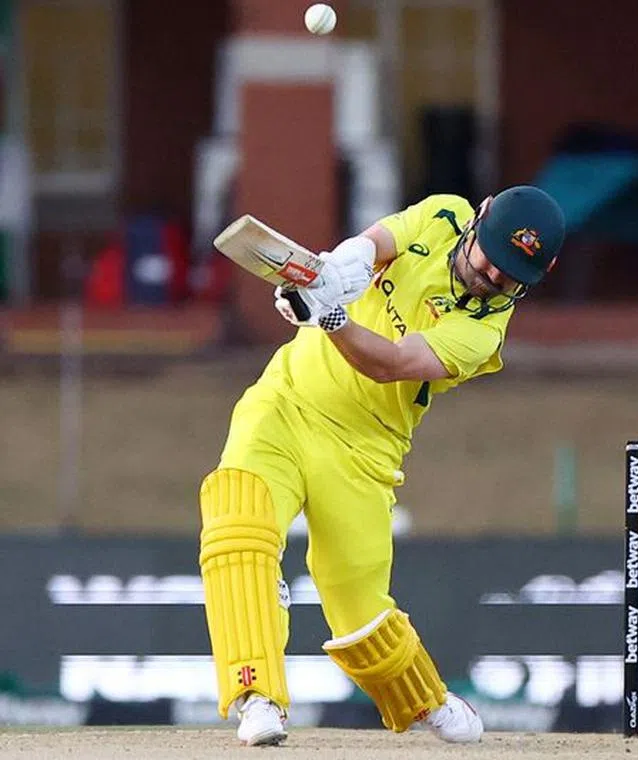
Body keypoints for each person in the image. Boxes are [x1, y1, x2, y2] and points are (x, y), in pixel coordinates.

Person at [198, 186, 565, 746]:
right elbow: (376, 244)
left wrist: (329, 315)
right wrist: (335, 272)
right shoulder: (444, 212)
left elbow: (392, 363)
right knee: (236, 529)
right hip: (285, 403)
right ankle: (257, 696)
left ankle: (428, 700)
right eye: (490, 252)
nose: (492, 273)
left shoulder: (484, 332)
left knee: (360, 617)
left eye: (511, 273)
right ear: (482, 214)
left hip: (365, 452)